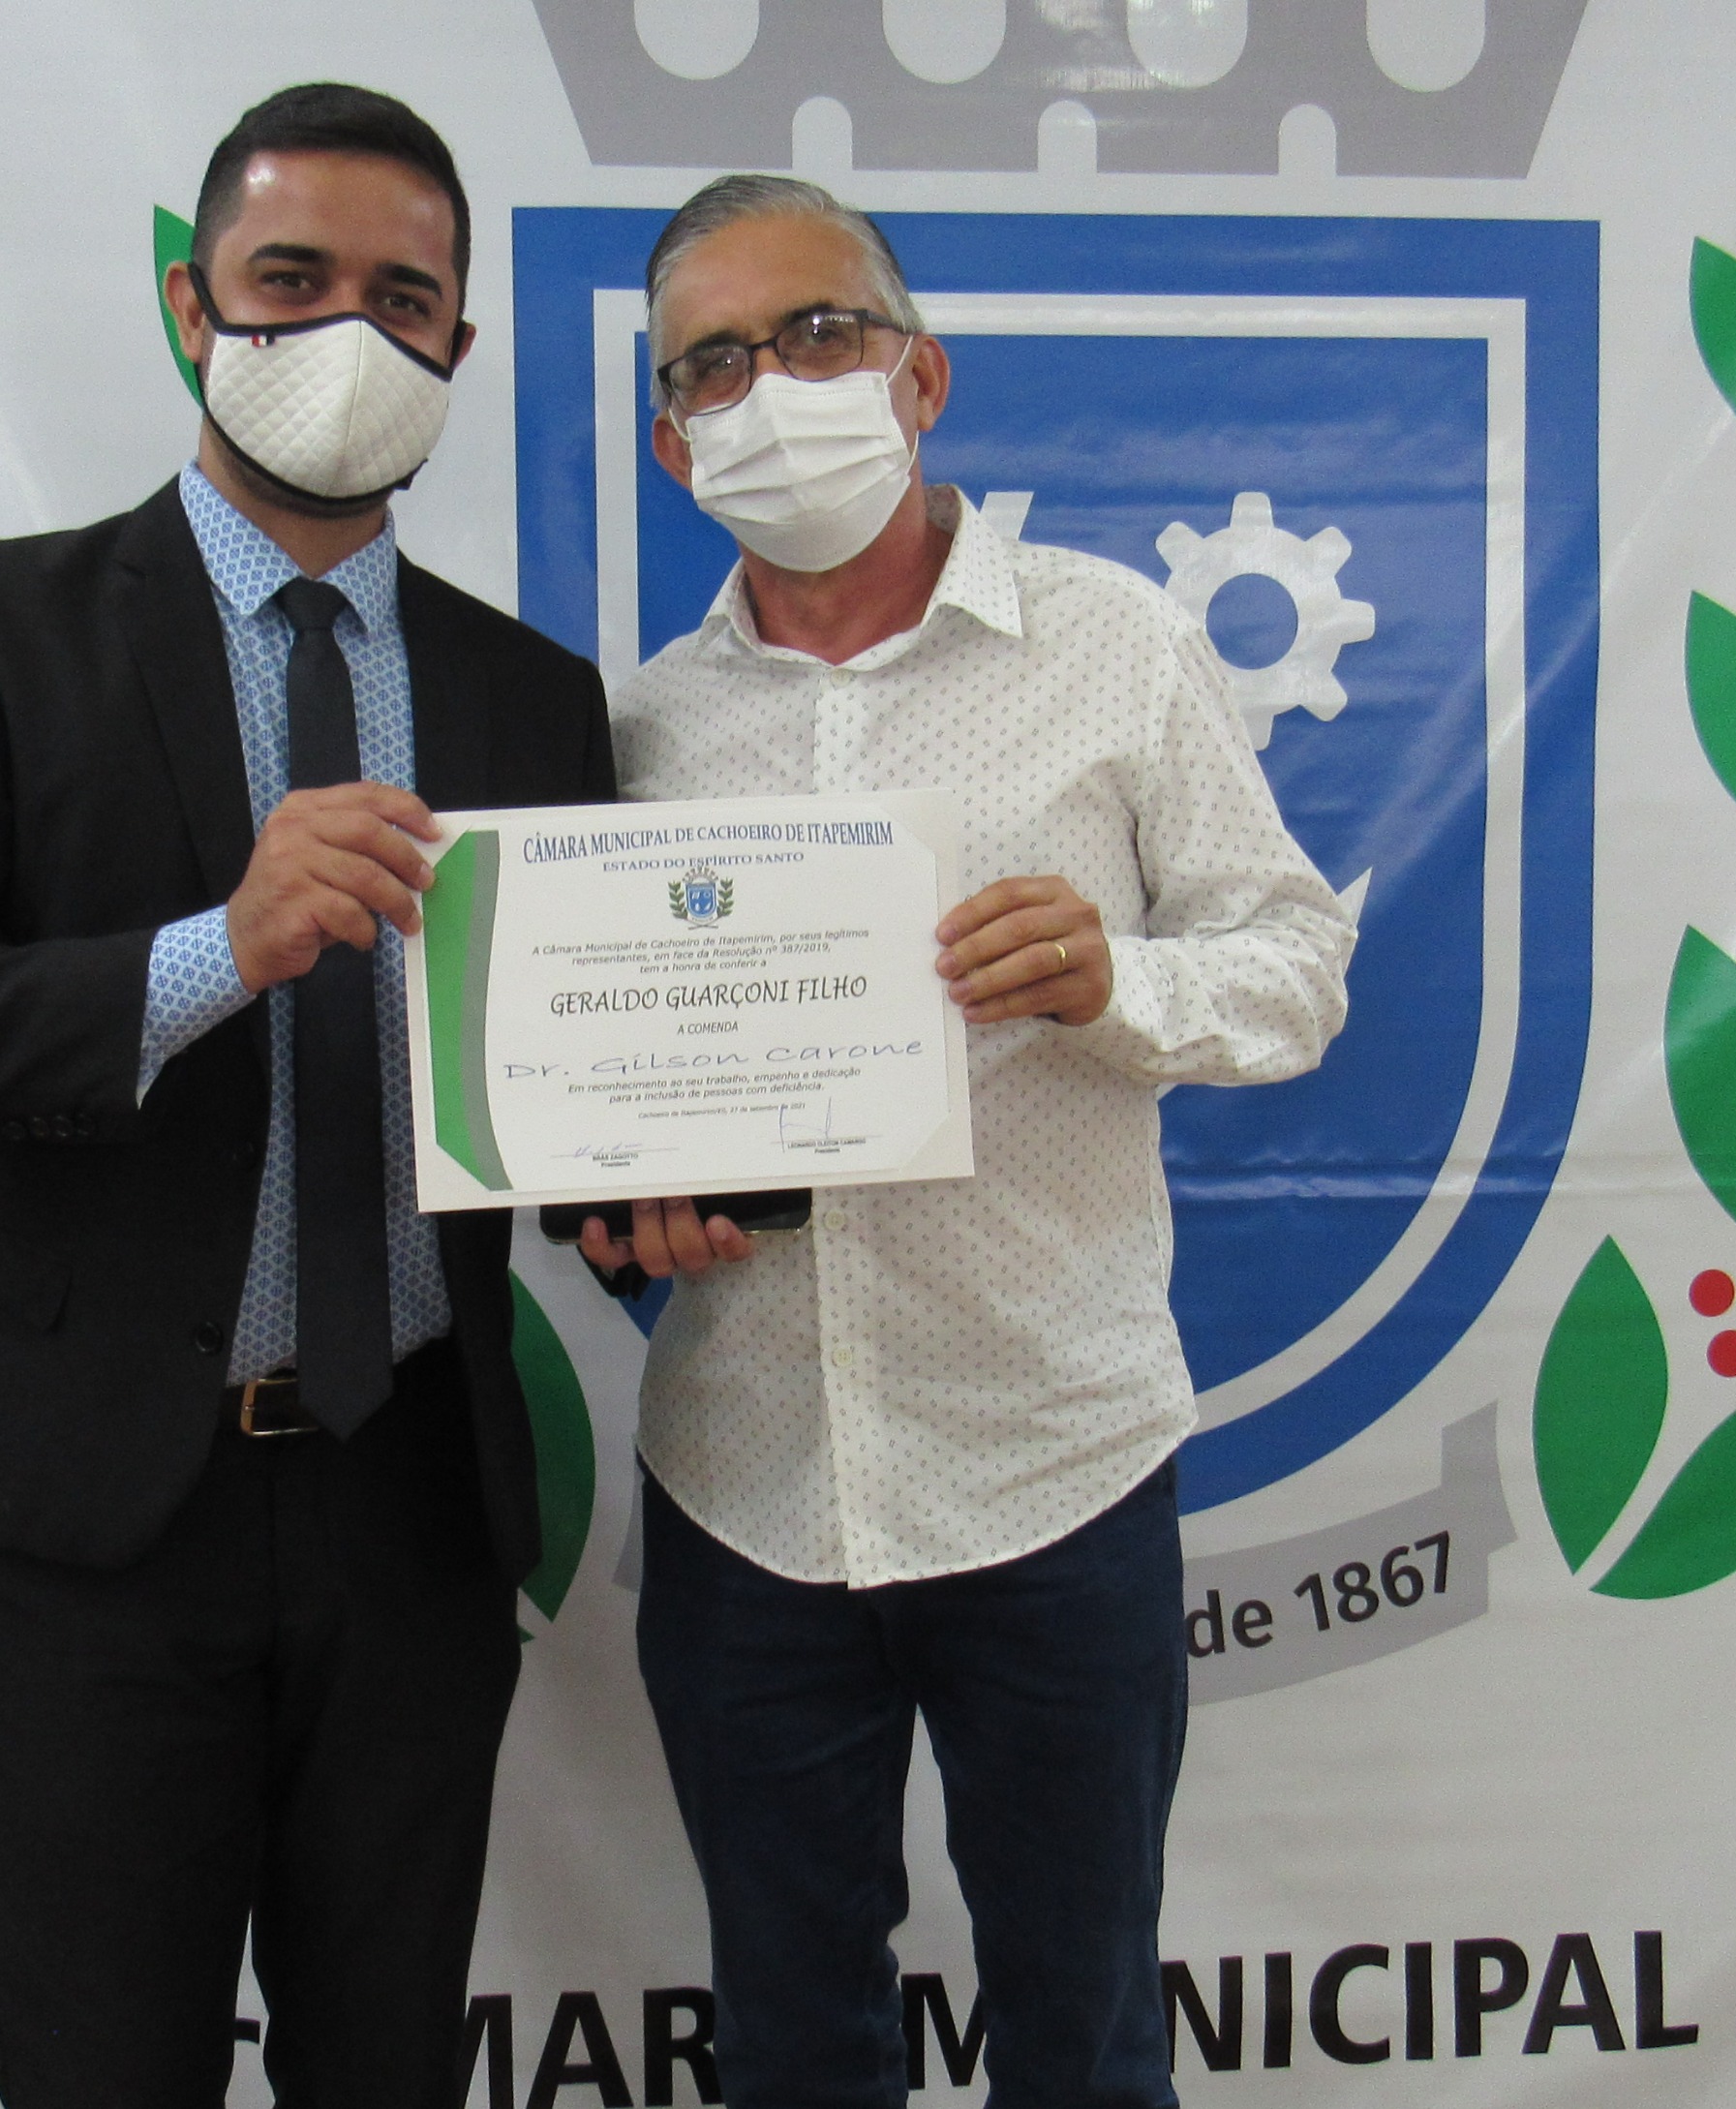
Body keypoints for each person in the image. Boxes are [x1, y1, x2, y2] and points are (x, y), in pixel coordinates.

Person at [0, 83, 614, 2109]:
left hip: (413, 1500)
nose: (346, 332)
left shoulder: (529, 695)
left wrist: (678, 1185)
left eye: (400, 298)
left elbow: (588, 1077)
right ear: (191, 306)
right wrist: (211, 951)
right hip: (91, 1517)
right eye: (289, 279)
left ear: (458, 344)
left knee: (386, 2071)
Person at [580, 174, 1358, 2108]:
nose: (772, 388)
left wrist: (1116, 984)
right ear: (674, 446)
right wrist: (616, 1203)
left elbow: (1296, 968)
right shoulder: (641, 730)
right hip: (746, 1480)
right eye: (712, 365)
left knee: (1085, 2042)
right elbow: (594, 1092)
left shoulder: (1115, 646)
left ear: (921, 376)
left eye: (818, 333)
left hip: (1051, 1473)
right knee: (790, 2046)